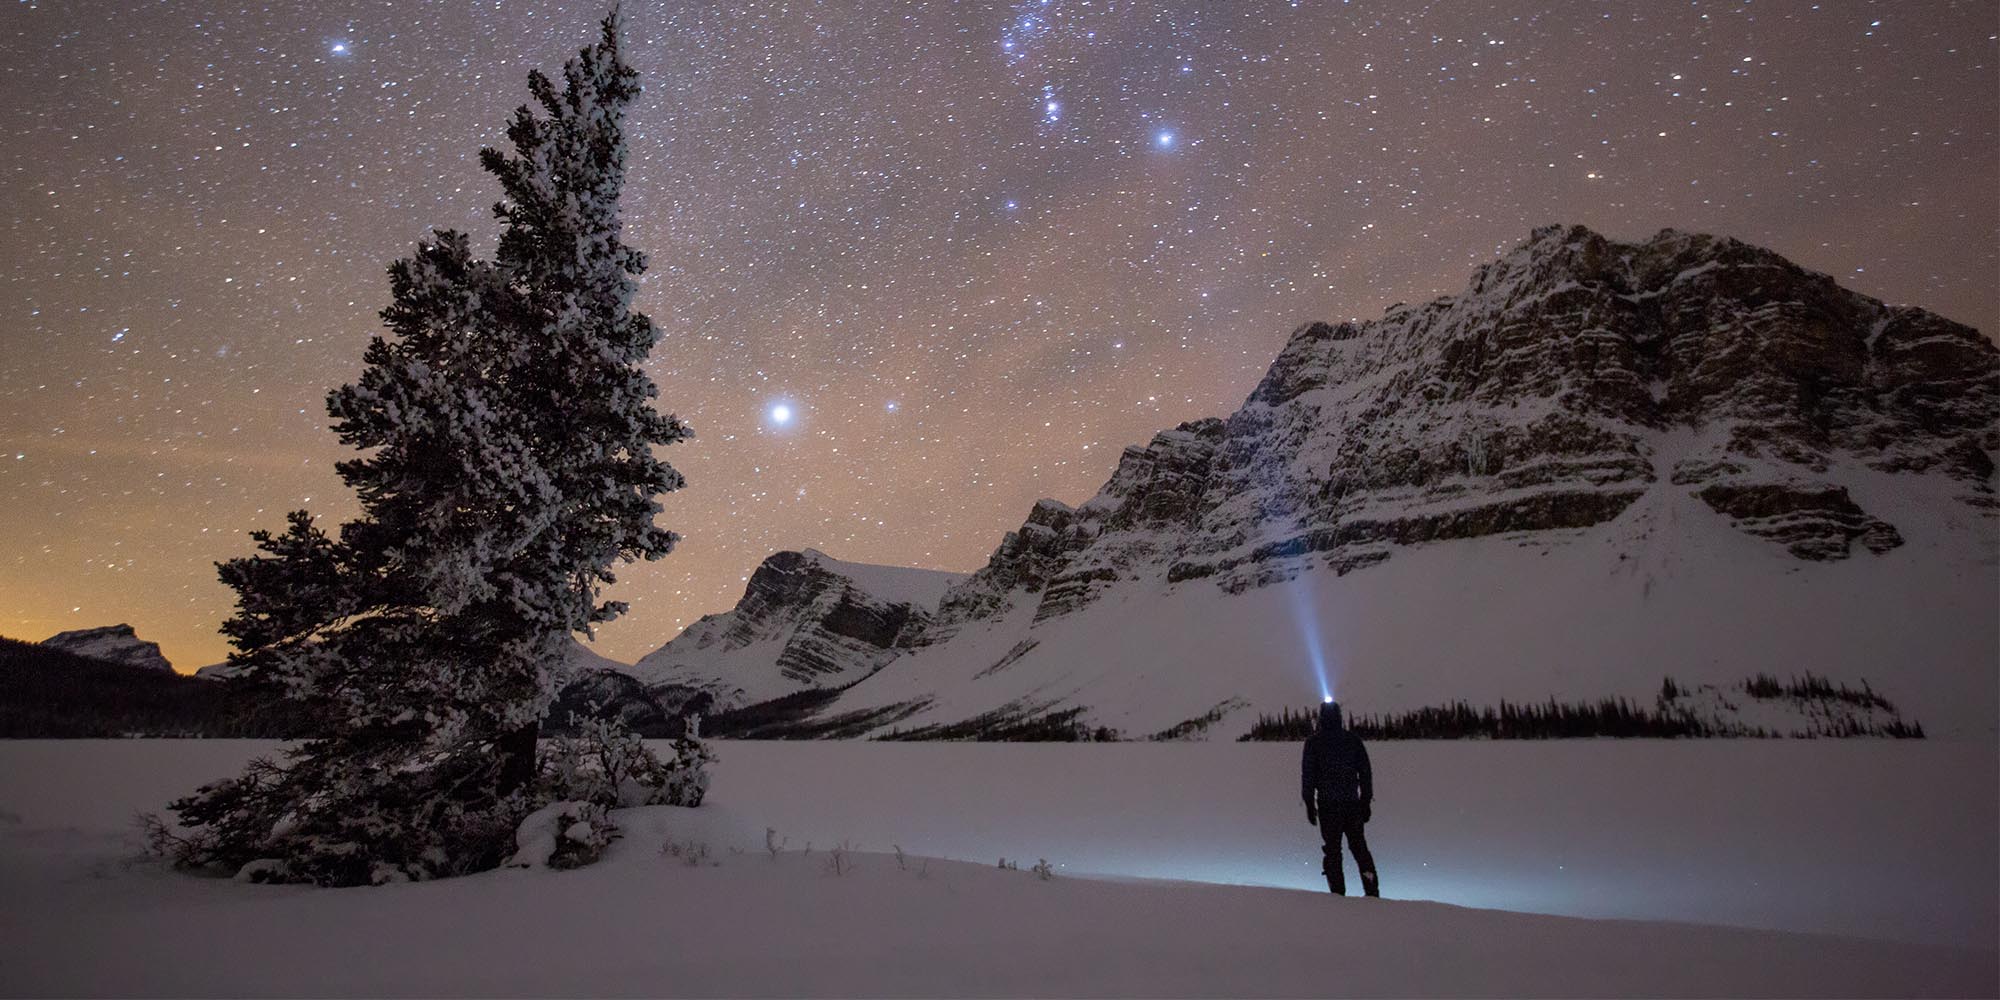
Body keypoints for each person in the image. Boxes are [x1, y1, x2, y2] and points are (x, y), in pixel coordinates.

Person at [1301, 700, 1378, 896]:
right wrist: (1365, 800)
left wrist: (1309, 803)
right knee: (1359, 848)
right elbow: (1365, 773)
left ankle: (1337, 895)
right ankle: (1371, 891)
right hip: (1351, 804)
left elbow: (1308, 775)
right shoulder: (1352, 740)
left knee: (1333, 851)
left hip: (1329, 806)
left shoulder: (1314, 743)